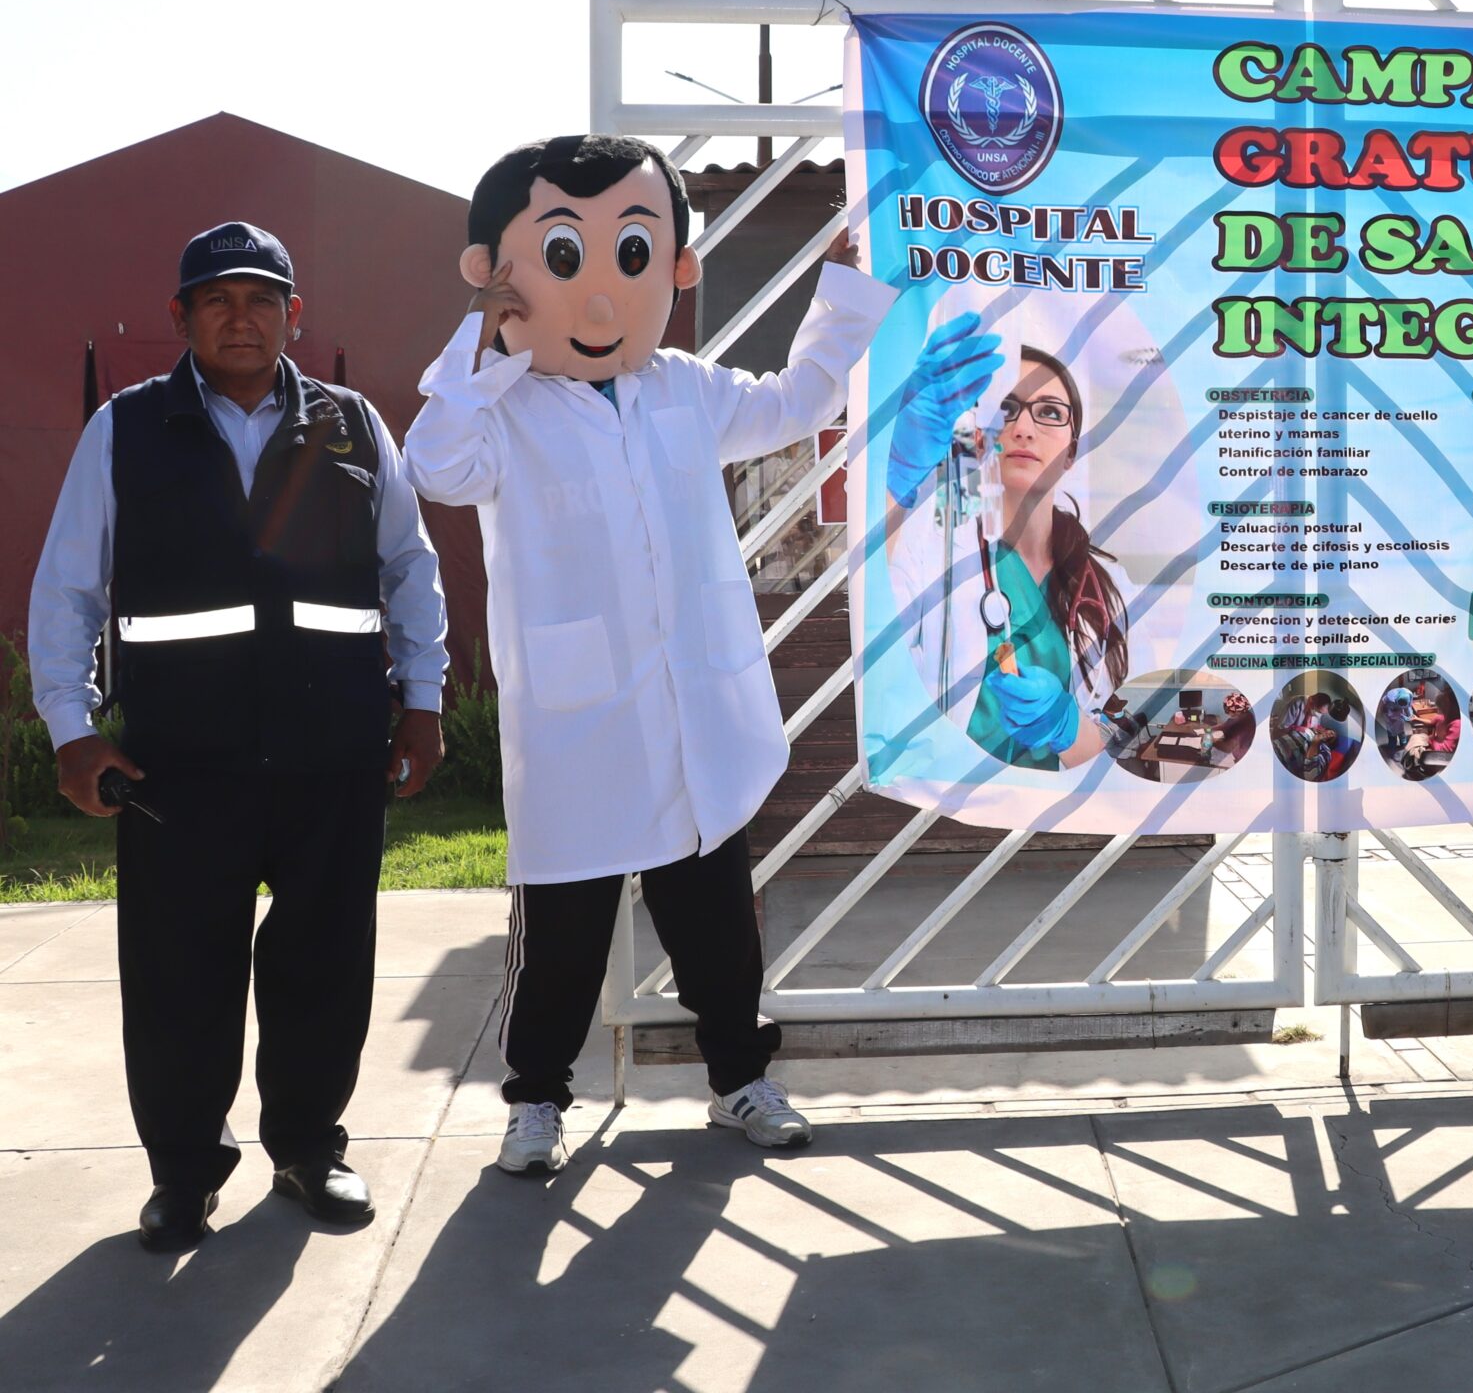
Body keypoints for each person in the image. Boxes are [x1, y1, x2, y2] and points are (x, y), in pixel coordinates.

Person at [404, 135, 892, 1175]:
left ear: (674, 265)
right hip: (578, 724)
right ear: (497, 274)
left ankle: (740, 1080)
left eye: (632, 255)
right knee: (563, 930)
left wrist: (846, 288)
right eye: (560, 259)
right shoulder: (504, 409)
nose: (598, 298)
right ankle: (537, 1099)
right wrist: (479, 344)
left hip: (691, 709)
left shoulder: (684, 389)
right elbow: (436, 468)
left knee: (716, 923)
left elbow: (801, 401)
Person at [29, 221, 449, 1250]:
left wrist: (424, 700)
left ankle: (308, 1149)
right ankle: (183, 1174)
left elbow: (410, 567)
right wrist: (72, 728)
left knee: (324, 966)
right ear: (180, 317)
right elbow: (69, 586)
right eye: (217, 299)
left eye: (262, 299)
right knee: (180, 977)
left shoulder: (354, 426)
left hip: (330, 752)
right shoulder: (126, 428)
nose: (241, 317)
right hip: (180, 763)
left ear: (293, 316)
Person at [885, 326, 1133, 770]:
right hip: (950, 798)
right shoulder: (931, 550)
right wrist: (896, 480)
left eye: (1049, 412)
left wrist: (1066, 727)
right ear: (981, 438)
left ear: (1071, 451)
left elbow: (1128, 741)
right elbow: (880, 643)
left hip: (1060, 808)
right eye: (1006, 409)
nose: (1023, 428)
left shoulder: (1110, 589)